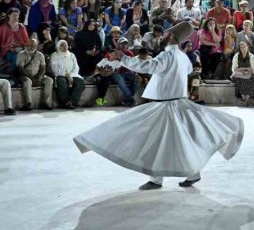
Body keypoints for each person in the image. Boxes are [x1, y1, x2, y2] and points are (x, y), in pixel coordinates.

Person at [74, 22, 244, 190]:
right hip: (179, 104)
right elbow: (186, 70)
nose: (162, 36)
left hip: (166, 106)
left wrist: (123, 58)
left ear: (171, 36)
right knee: (179, 141)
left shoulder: (166, 56)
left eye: (165, 34)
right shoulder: (183, 57)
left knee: (154, 140)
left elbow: (148, 66)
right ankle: (192, 173)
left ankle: (157, 179)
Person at [94, 38, 138, 107]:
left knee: (137, 79)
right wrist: (104, 72)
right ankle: (131, 100)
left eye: (125, 44)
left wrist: (134, 72)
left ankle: (127, 99)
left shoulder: (129, 53)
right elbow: (105, 64)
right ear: (117, 44)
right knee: (121, 81)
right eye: (121, 44)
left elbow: (133, 65)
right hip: (116, 73)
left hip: (128, 72)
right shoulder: (112, 53)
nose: (123, 45)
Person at [15, 35, 54, 110]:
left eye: (32, 45)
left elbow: (43, 68)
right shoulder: (21, 54)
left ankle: (46, 102)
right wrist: (32, 78)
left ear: (36, 46)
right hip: (24, 75)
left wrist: (40, 76)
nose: (30, 47)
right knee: (27, 81)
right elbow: (20, 68)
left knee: (49, 80)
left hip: (37, 76)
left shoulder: (40, 55)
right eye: (28, 45)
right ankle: (28, 103)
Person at [50, 40, 84, 109]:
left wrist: (70, 75)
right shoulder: (54, 55)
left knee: (80, 81)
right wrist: (66, 75)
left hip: (72, 75)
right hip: (60, 75)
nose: (64, 47)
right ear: (58, 47)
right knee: (62, 81)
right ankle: (64, 102)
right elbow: (55, 69)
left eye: (65, 45)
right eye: (62, 45)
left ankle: (71, 102)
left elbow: (76, 67)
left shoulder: (71, 55)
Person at [230, 40, 254, 105]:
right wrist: (245, 70)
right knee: (240, 79)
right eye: (241, 47)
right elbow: (234, 68)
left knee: (250, 79)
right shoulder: (236, 56)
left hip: (248, 74)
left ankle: (246, 98)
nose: (243, 49)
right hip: (240, 74)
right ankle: (244, 98)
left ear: (247, 47)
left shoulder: (251, 56)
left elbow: (251, 68)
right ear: (239, 49)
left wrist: (241, 69)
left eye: (244, 47)